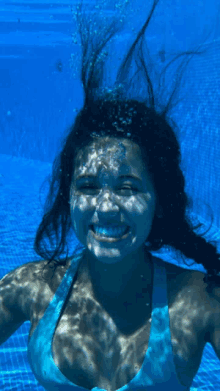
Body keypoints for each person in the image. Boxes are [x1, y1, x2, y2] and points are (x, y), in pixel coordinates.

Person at [0, 1, 220, 390]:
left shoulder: (199, 302)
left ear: (159, 198)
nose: (105, 208)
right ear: (67, 196)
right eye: (87, 186)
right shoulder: (29, 288)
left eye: (128, 187)